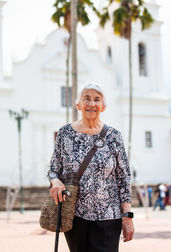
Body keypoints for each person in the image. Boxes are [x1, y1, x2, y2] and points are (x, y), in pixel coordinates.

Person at [47, 83, 134, 252]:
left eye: (97, 99)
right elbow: (53, 169)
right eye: (87, 98)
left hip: (109, 217)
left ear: (103, 106)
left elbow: (124, 178)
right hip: (74, 215)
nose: (92, 104)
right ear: (78, 104)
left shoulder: (114, 136)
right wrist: (55, 181)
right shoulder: (65, 133)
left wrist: (127, 217)